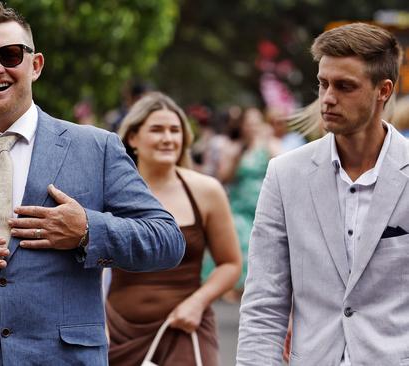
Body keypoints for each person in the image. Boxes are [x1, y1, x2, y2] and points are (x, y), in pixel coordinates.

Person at [0, 1, 185, 365]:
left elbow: (166, 240)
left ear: (35, 64)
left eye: (10, 55)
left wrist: (88, 231)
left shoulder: (96, 148)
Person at [237, 23, 407, 365]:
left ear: (383, 91)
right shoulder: (285, 174)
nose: (328, 98)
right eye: (323, 83)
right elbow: (264, 303)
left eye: (345, 86)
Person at [108, 92, 241, 365]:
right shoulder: (110, 192)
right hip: (117, 334)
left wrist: (197, 303)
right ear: (133, 138)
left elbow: (230, 264)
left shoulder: (206, 191)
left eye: (175, 130)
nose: (168, 138)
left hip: (185, 328)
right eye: (157, 130)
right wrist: (96, 322)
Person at [205, 107, 279, 301]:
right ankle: (236, 285)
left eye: (256, 122)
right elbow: (224, 177)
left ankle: (255, 288)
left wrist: (267, 143)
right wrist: (238, 156)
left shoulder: (269, 146)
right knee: (241, 238)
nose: (252, 126)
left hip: (263, 204)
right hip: (240, 205)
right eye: (249, 123)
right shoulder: (234, 147)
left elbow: (281, 168)